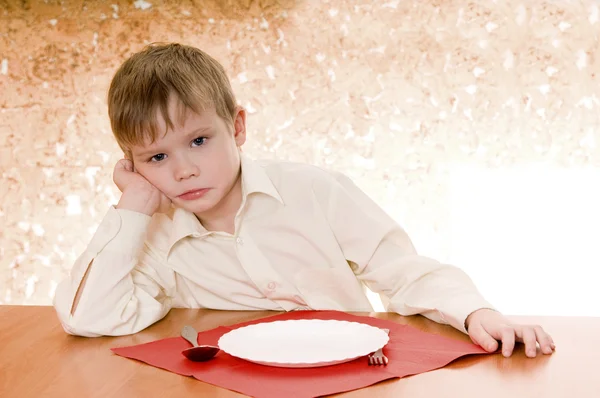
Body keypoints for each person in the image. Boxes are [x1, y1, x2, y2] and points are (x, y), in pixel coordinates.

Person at [53, 43, 555, 358]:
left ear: (238, 127)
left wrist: (474, 312)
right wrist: (134, 208)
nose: (183, 169)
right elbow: (90, 318)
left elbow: (402, 270)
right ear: (132, 164)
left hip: (348, 373)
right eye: (156, 157)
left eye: (199, 141)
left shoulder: (314, 191)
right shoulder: (154, 230)